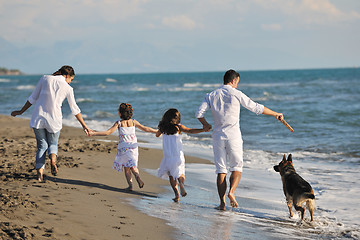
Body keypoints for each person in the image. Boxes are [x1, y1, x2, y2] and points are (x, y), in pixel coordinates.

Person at [195, 69, 284, 210]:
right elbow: (256, 107)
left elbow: (199, 113)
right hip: (233, 136)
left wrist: (205, 124)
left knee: (221, 171)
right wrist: (275, 114)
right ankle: (231, 192)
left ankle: (222, 203)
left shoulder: (211, 95)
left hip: (218, 136)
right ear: (234, 80)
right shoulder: (236, 93)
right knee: (236, 168)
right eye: (237, 82)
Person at [11, 65, 90, 182]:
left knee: (42, 146)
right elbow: (75, 109)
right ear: (67, 76)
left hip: (38, 117)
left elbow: (32, 98)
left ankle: (39, 175)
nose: (70, 83)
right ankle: (53, 161)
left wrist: (21, 111)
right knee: (53, 144)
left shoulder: (44, 79)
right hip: (54, 119)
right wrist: (85, 126)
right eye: (71, 80)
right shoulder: (68, 88)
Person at [88, 103, 157, 191]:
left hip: (123, 148)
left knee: (127, 168)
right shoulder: (133, 122)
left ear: (120, 113)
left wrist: (93, 133)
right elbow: (145, 128)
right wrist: (157, 131)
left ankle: (130, 186)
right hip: (133, 147)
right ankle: (137, 176)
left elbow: (108, 132)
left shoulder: (119, 123)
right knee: (133, 166)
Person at [156, 108, 211, 202]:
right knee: (180, 172)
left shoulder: (163, 128)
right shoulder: (179, 127)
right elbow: (190, 131)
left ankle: (177, 194)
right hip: (178, 156)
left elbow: (157, 135)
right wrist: (202, 130)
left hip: (168, 157)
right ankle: (181, 183)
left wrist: (160, 131)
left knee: (171, 176)